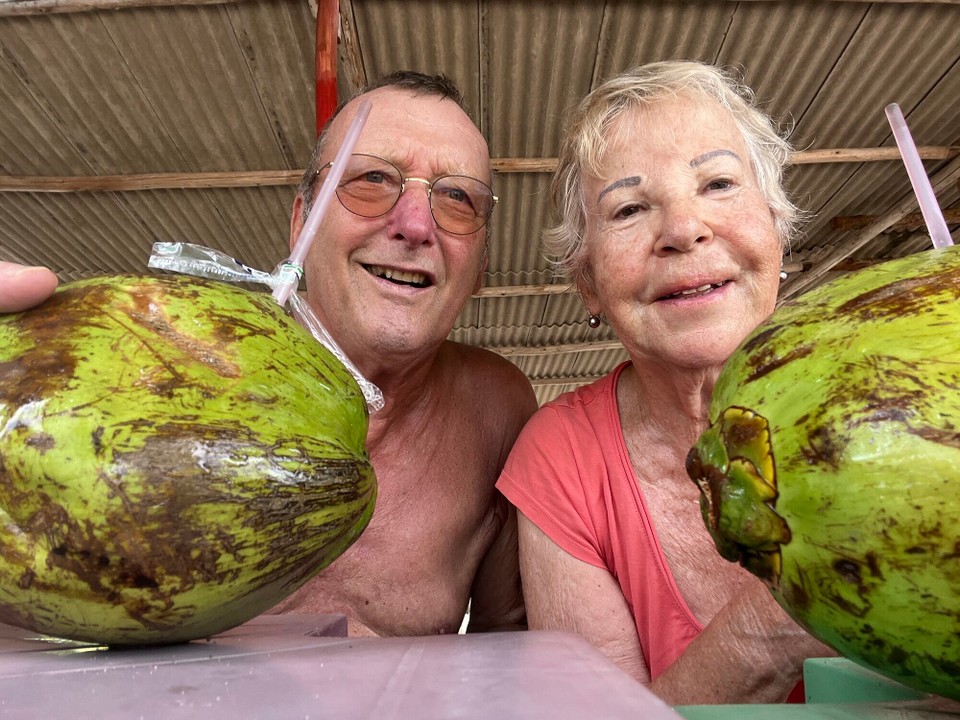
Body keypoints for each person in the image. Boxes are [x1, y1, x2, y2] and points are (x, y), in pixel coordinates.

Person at [1, 72, 539, 638]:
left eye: (457, 198)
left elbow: (507, 650)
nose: (415, 225)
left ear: (481, 267)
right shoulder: (167, 350)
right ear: (302, 221)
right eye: (373, 178)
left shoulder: (496, 410)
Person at [496, 60, 832, 704]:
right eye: (628, 208)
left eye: (718, 183)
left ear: (777, 227)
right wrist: (783, 620)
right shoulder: (565, 459)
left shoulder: (898, 393)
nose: (682, 230)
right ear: (588, 283)